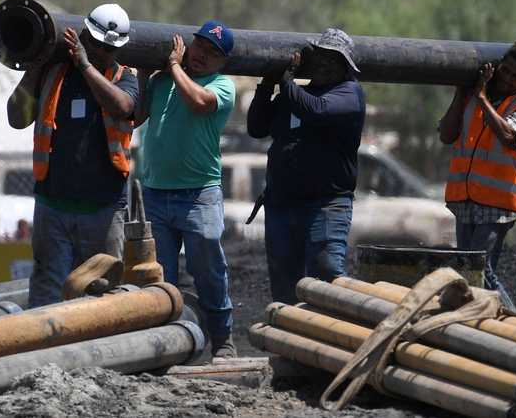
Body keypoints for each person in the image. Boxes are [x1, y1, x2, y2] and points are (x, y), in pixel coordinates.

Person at [7, 4, 139, 308]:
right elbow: (16, 117)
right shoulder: (53, 75)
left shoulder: (124, 78)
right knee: (47, 289)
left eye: (109, 49)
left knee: (100, 293)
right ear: (82, 36)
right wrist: (38, 64)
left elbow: (122, 107)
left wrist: (85, 65)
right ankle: (44, 351)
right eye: (95, 44)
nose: (101, 52)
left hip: (102, 207)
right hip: (53, 204)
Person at [135, 20, 237, 358]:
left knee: (208, 269)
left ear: (222, 62)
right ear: (189, 44)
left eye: (213, 53)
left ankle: (223, 340)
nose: (203, 55)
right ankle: (164, 345)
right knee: (158, 274)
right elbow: (134, 118)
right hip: (154, 191)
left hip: (199, 194)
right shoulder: (163, 80)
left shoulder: (221, 84)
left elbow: (198, 102)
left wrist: (176, 65)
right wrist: (144, 75)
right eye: (200, 46)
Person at [246, 28, 366, 305]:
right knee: (285, 289)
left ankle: (329, 343)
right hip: (281, 209)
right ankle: (288, 345)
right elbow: (256, 128)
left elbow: (316, 110)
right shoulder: (296, 96)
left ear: (346, 66)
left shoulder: (349, 94)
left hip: (324, 208)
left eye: (334, 59)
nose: (325, 62)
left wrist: (286, 82)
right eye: (321, 55)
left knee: (326, 281)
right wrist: (266, 85)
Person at [437, 41, 516, 313]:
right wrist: (462, 93)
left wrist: (482, 97)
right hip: (466, 199)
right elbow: (447, 135)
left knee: (480, 272)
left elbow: (509, 136)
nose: (507, 79)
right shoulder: (471, 97)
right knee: (470, 272)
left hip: (497, 203)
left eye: (515, 77)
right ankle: (485, 324)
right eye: (505, 70)